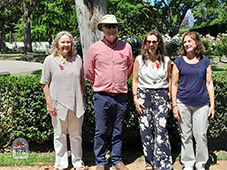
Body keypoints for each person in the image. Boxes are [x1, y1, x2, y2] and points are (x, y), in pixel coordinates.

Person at [84, 14, 133, 170]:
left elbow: (129, 69)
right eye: (108, 26)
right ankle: (100, 161)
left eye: (114, 26)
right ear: (102, 29)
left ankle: (117, 159)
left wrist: (118, 82)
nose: (112, 29)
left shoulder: (126, 47)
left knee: (118, 130)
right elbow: (89, 71)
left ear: (117, 28)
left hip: (120, 96)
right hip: (101, 96)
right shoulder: (94, 48)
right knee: (101, 130)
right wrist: (100, 83)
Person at [40, 31, 86, 170]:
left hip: (76, 103)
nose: (66, 45)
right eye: (63, 42)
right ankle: (61, 162)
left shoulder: (77, 59)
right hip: (57, 104)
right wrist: (49, 103)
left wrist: (83, 99)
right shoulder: (49, 60)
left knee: (76, 135)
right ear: (57, 44)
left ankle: (78, 162)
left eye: (68, 42)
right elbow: (44, 83)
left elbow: (81, 82)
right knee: (59, 134)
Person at [172, 31, 215, 170]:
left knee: (201, 135)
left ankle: (201, 163)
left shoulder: (205, 61)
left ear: (197, 43)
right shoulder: (178, 62)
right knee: (186, 135)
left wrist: (212, 104)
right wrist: (174, 105)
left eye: (190, 41)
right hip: (183, 103)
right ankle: (188, 163)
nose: (187, 44)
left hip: (202, 104)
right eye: (185, 42)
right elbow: (174, 84)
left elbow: (209, 84)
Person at [132, 30, 173, 170]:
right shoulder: (138, 60)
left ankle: (163, 163)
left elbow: (169, 80)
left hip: (161, 95)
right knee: (146, 130)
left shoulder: (166, 61)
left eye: (154, 41)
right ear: (145, 44)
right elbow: (135, 80)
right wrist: (135, 99)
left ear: (159, 43)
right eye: (148, 41)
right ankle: (149, 162)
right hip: (144, 96)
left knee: (161, 129)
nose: (151, 44)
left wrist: (169, 100)